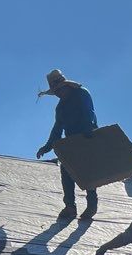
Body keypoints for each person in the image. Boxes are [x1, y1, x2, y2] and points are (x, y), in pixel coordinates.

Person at [36, 69, 99, 223]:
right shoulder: (61, 108)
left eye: (59, 90)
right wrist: (47, 146)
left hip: (87, 137)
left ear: (66, 86)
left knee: (88, 172)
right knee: (66, 170)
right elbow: (57, 129)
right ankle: (70, 206)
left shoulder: (81, 93)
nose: (58, 94)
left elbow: (88, 113)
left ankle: (92, 204)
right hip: (71, 142)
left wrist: (88, 130)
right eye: (55, 91)